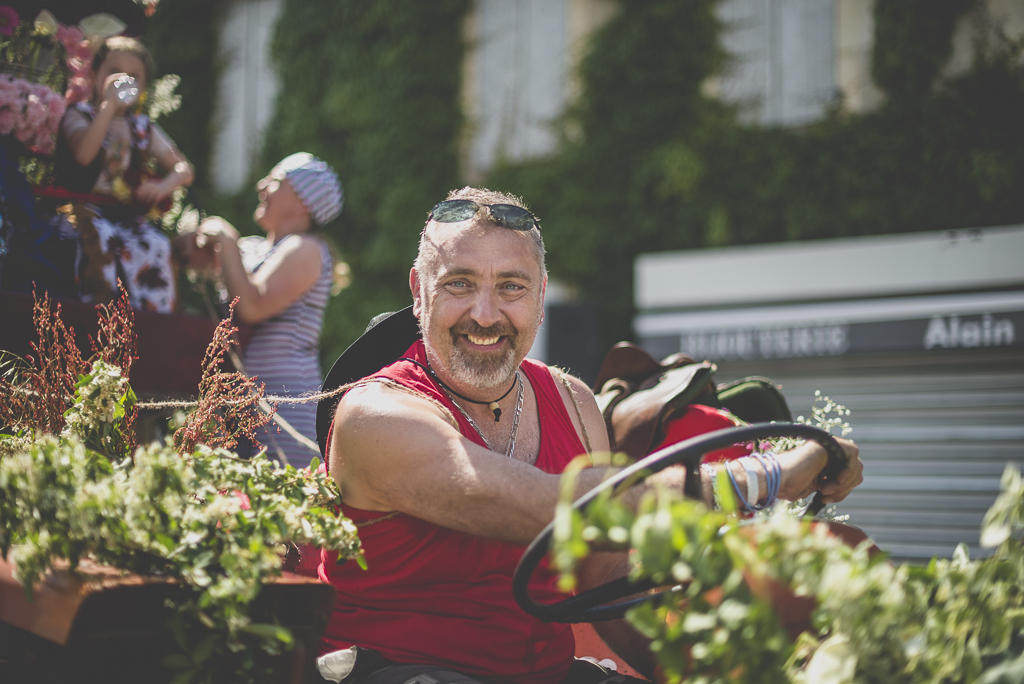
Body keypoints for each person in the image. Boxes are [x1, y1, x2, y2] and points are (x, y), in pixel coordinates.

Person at [316, 187, 863, 684]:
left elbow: (605, 578)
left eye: (511, 287)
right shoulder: (377, 413)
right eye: (459, 283)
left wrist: (697, 673)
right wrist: (763, 477)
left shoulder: (573, 402)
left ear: (540, 294)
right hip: (401, 671)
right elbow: (550, 507)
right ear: (418, 290)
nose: (485, 315)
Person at [185, 153, 342, 468]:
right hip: (244, 405)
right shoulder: (258, 247)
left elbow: (252, 306)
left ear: (302, 203)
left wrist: (227, 242)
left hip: (284, 408)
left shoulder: (305, 248)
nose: (262, 186)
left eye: (276, 180)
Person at [56, 35, 194, 312]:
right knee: (102, 238)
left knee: (157, 244)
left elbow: (184, 170)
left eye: (133, 76)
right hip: (82, 211)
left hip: (125, 215)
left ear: (142, 87)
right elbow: (84, 155)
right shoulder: (78, 115)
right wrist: (108, 107)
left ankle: (151, 321)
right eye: (114, 72)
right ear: (94, 76)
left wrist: (162, 187)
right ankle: (101, 317)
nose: (124, 81)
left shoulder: (142, 127)